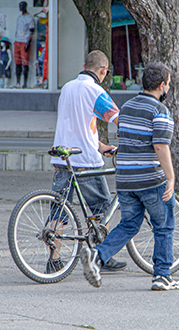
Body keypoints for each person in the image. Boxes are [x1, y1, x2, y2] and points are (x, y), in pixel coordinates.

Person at [80, 62, 179, 291]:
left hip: (125, 180)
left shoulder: (126, 108)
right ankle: (162, 276)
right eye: (168, 83)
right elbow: (161, 146)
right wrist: (171, 178)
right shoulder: (160, 111)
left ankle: (97, 257)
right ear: (162, 85)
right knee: (164, 225)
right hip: (150, 180)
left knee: (128, 225)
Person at [49, 50, 125, 273]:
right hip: (86, 161)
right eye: (106, 72)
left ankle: (54, 259)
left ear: (84, 65)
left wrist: (101, 146)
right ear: (103, 70)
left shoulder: (68, 87)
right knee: (102, 206)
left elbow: (78, 126)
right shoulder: (95, 91)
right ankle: (102, 254)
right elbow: (116, 117)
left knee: (59, 209)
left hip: (64, 157)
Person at [14, 1, 35, 88]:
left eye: (21, 6)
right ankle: (17, 82)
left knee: (25, 62)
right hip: (17, 41)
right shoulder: (19, 18)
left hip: (24, 41)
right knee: (17, 62)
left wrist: (28, 43)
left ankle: (25, 83)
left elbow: (32, 31)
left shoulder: (29, 18)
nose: (20, 8)